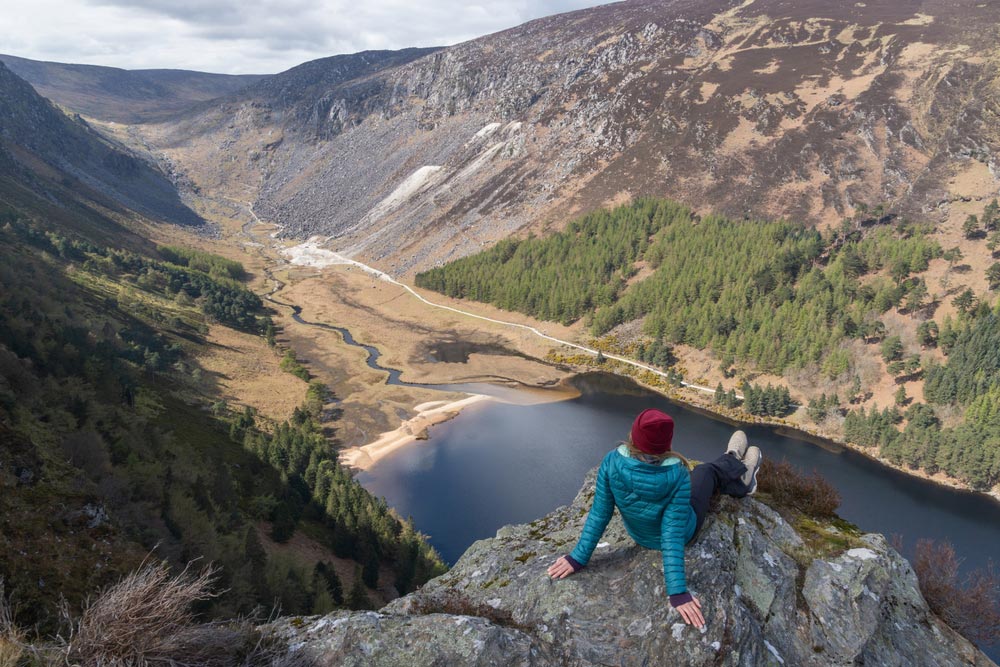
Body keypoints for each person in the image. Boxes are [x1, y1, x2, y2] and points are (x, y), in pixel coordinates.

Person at [547, 408, 762, 630]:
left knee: (700, 476)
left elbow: (600, 514)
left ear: (633, 436)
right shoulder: (677, 474)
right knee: (705, 472)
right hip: (685, 530)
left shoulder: (611, 462)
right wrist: (677, 591)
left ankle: (734, 460)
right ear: (666, 444)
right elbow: (672, 533)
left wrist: (577, 558)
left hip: (639, 534)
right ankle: (740, 473)